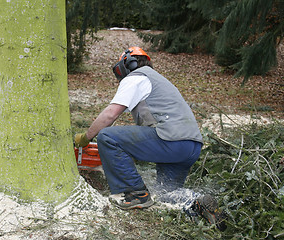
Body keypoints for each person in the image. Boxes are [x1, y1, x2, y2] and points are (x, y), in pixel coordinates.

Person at [74, 47, 226, 231]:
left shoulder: (136, 77)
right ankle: (198, 201)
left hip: (171, 141)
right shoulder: (159, 81)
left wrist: (86, 137)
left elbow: (110, 115)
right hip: (190, 146)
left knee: (107, 136)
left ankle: (134, 194)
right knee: (165, 193)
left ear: (127, 64)